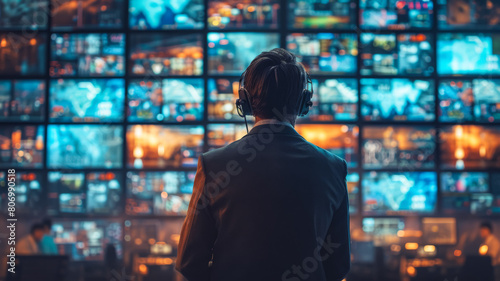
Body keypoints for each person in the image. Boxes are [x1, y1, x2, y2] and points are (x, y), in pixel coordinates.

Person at [175, 48, 350, 281]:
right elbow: (338, 265)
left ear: (245, 102)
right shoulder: (333, 168)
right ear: (303, 102)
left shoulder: (212, 166)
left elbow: (189, 262)